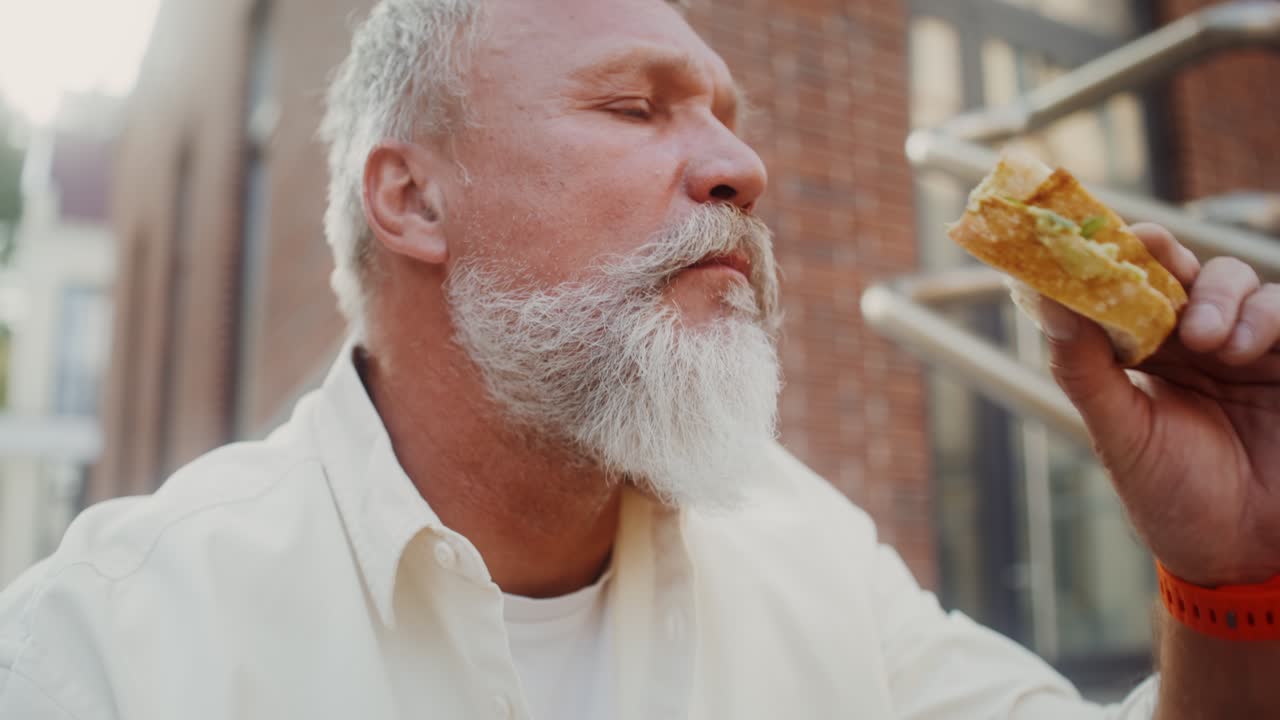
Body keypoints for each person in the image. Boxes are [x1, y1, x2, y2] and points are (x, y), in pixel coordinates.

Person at [3, 0, 1278, 717]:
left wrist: (1221, 582)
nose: (742, 168)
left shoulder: (806, 551)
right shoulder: (106, 653)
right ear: (412, 199)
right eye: (634, 107)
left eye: (725, 114)